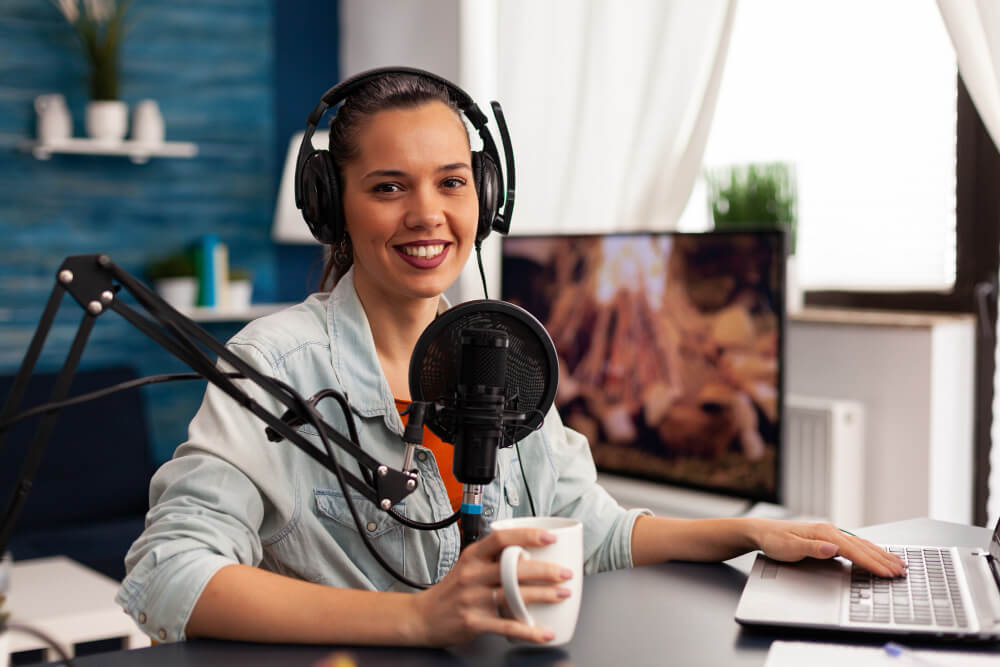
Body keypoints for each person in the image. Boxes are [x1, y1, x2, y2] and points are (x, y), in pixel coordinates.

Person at [116, 69, 905, 648]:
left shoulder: (502, 349)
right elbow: (167, 573)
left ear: (484, 198)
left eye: (451, 182)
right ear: (332, 205)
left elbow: (589, 530)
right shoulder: (277, 363)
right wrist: (417, 618)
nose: (428, 214)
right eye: (388, 187)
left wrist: (747, 531)